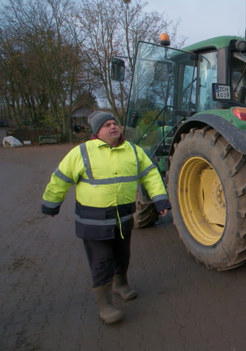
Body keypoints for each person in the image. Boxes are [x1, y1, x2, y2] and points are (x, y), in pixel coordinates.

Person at [41, 111, 171, 324]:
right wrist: (51, 203)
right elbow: (60, 179)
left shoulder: (133, 150)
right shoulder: (81, 152)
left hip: (123, 219)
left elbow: (150, 174)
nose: (113, 127)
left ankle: (120, 284)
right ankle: (105, 305)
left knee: (123, 256)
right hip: (93, 222)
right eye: (107, 125)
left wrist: (160, 200)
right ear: (96, 131)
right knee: (102, 262)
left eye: (114, 123)